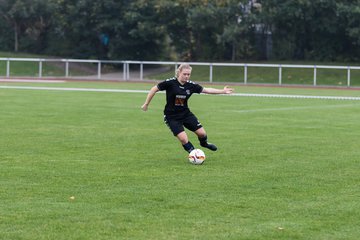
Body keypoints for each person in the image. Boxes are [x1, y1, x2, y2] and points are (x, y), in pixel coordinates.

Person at [141, 63, 234, 153]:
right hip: (172, 117)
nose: (186, 76)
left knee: (202, 134)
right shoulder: (170, 83)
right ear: (179, 73)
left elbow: (207, 90)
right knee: (183, 139)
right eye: (184, 74)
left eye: (188, 74)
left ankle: (204, 144)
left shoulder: (191, 85)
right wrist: (146, 104)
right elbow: (154, 89)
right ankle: (194, 154)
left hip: (185, 114)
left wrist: (223, 91)